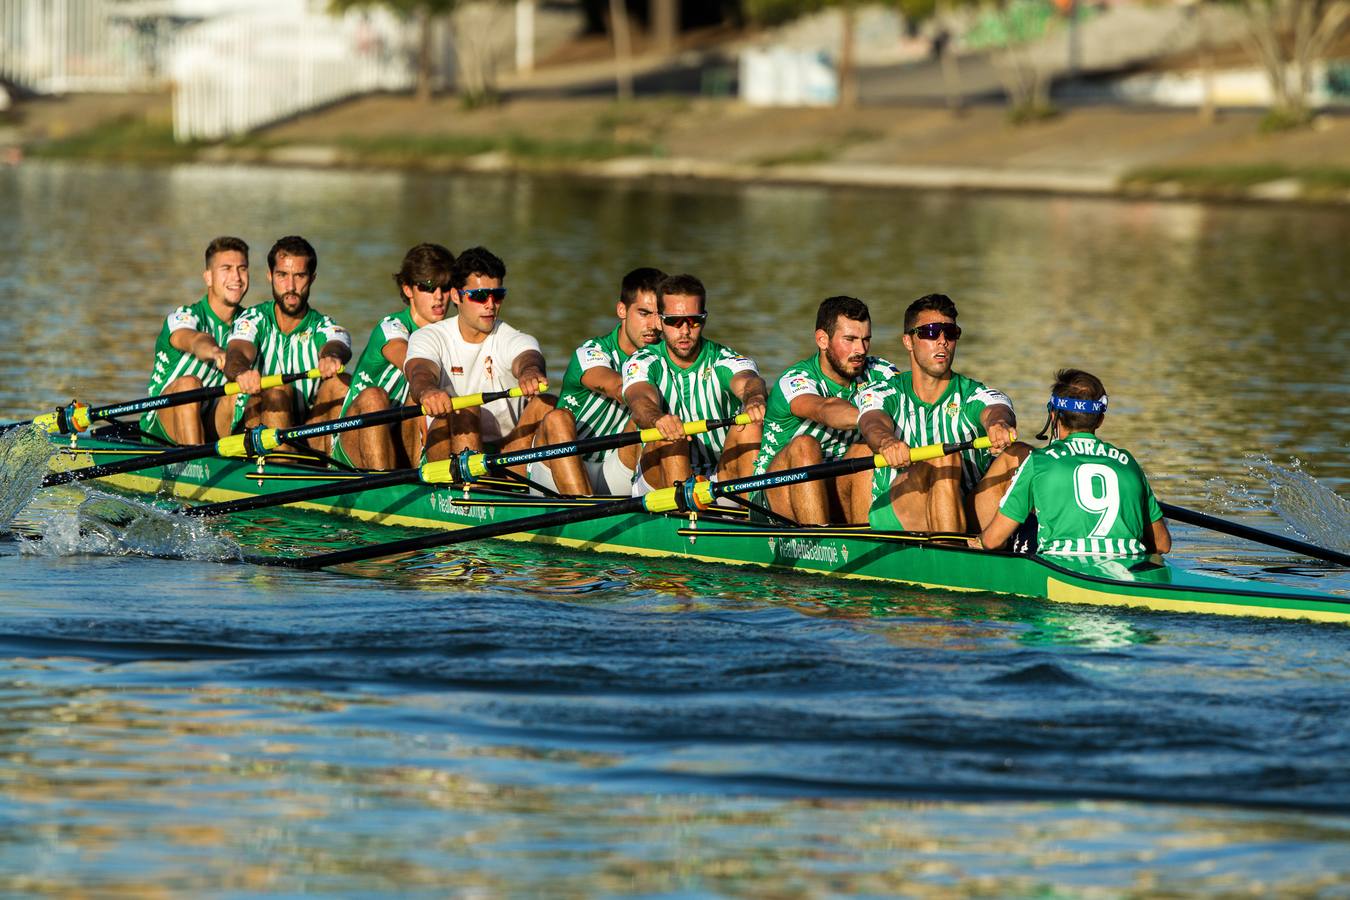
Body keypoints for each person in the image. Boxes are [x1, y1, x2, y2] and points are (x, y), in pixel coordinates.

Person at [856, 293, 1029, 532]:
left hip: (964, 510)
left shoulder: (974, 393)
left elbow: (996, 410)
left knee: (1023, 455)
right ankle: (954, 556)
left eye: (950, 333)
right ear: (908, 341)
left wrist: (998, 425)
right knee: (944, 457)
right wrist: (886, 442)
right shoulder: (884, 392)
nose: (942, 341)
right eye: (930, 332)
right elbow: (872, 422)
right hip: (900, 511)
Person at [973, 369, 1172, 555]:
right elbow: (1163, 544)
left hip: (1060, 570)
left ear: (1053, 415)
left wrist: (980, 540)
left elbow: (993, 541)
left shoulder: (1039, 462)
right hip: (1127, 571)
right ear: (1100, 420)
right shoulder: (1127, 462)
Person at [751, 296, 898, 525]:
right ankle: (819, 541)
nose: (860, 350)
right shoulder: (795, 380)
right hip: (773, 499)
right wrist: (873, 421)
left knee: (864, 450)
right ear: (822, 339)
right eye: (849, 339)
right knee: (805, 445)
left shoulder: (881, 372)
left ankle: (868, 538)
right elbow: (825, 409)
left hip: (836, 489)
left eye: (865, 339)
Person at [404, 246, 553, 461]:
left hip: (507, 452)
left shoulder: (512, 337)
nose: (490, 305)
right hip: (446, 451)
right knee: (466, 410)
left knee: (548, 403)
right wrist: (427, 390)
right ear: (456, 295)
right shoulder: (429, 336)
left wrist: (530, 372)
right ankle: (474, 490)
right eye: (480, 296)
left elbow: (528, 357)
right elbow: (420, 372)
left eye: (497, 295)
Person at [622, 273, 766, 493]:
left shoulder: (724, 359)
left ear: (704, 319)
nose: (684, 331)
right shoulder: (643, 361)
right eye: (673, 321)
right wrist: (658, 419)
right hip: (659, 477)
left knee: (751, 426)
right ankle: (685, 518)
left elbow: (748, 382)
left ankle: (752, 517)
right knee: (671, 437)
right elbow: (639, 400)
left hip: (719, 475)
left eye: (693, 321)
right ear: (660, 321)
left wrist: (754, 399)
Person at [528, 266, 665, 495]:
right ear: (622, 310)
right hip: (560, 467)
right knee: (557, 419)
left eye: (660, 315)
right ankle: (584, 512)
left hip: (616, 468)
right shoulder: (592, 352)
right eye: (644, 313)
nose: (654, 325)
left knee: (658, 422)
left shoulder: (666, 356)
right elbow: (618, 387)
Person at [224, 235, 352, 453]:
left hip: (308, 431)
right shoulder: (253, 319)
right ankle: (281, 467)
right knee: (277, 390)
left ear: (312, 278)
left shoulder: (324, 325)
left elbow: (336, 344)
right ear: (270, 276)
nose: (290, 286)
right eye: (282, 275)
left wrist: (331, 357)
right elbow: (236, 354)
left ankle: (338, 469)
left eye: (299, 276)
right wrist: (242, 372)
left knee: (342, 382)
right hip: (259, 424)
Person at [331, 243, 454, 470]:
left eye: (445, 287)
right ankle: (382, 488)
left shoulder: (451, 336)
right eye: (428, 287)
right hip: (353, 443)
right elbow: (411, 362)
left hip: (401, 443)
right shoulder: (392, 327)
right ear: (408, 289)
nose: (438, 297)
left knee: (430, 402)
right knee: (375, 397)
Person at [141, 236, 251, 445]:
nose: (236, 277)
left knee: (247, 387)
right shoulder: (185, 316)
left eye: (242, 268)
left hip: (211, 422)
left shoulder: (251, 324)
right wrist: (216, 352)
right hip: (161, 427)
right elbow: (194, 341)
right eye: (226, 268)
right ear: (208, 277)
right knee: (189, 385)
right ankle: (196, 467)